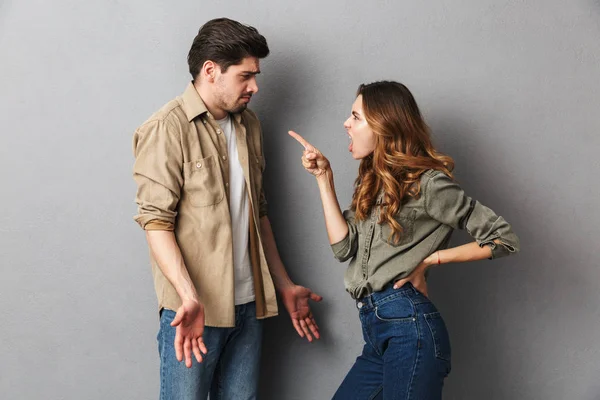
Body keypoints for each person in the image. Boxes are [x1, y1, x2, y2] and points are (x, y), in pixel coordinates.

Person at [289, 80, 519, 400]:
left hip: (409, 329)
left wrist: (430, 261)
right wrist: (324, 179)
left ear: (385, 125)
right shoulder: (374, 183)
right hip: (377, 330)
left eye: (356, 116)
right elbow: (343, 248)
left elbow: (503, 238)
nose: (346, 123)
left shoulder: (429, 183)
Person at [132, 18, 322, 400]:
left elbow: (259, 212)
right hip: (194, 312)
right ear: (211, 71)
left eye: (256, 76)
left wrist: (283, 285)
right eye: (246, 76)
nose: (255, 86)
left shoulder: (249, 124)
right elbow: (156, 223)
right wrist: (188, 297)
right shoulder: (166, 128)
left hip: (250, 308)